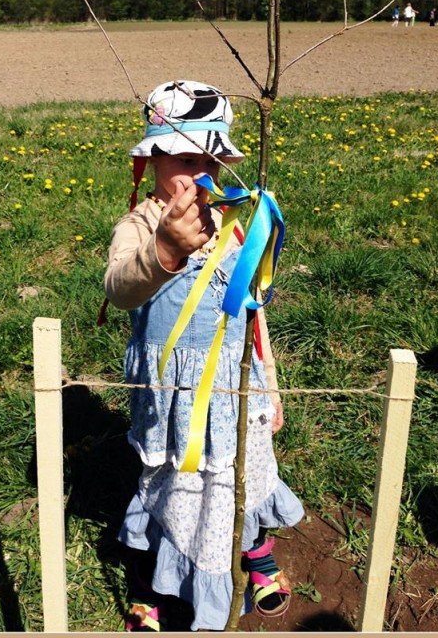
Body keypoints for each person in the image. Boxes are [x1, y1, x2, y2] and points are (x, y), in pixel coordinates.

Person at [104, 80, 304, 632]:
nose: (200, 171)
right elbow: (119, 286)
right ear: (151, 161)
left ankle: (257, 558)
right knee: (169, 491)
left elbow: (252, 314)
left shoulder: (234, 225)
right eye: (184, 157)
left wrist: (270, 388)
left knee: (239, 479)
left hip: (234, 392)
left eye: (211, 157)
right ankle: (154, 586)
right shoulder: (144, 223)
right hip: (173, 401)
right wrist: (165, 248)